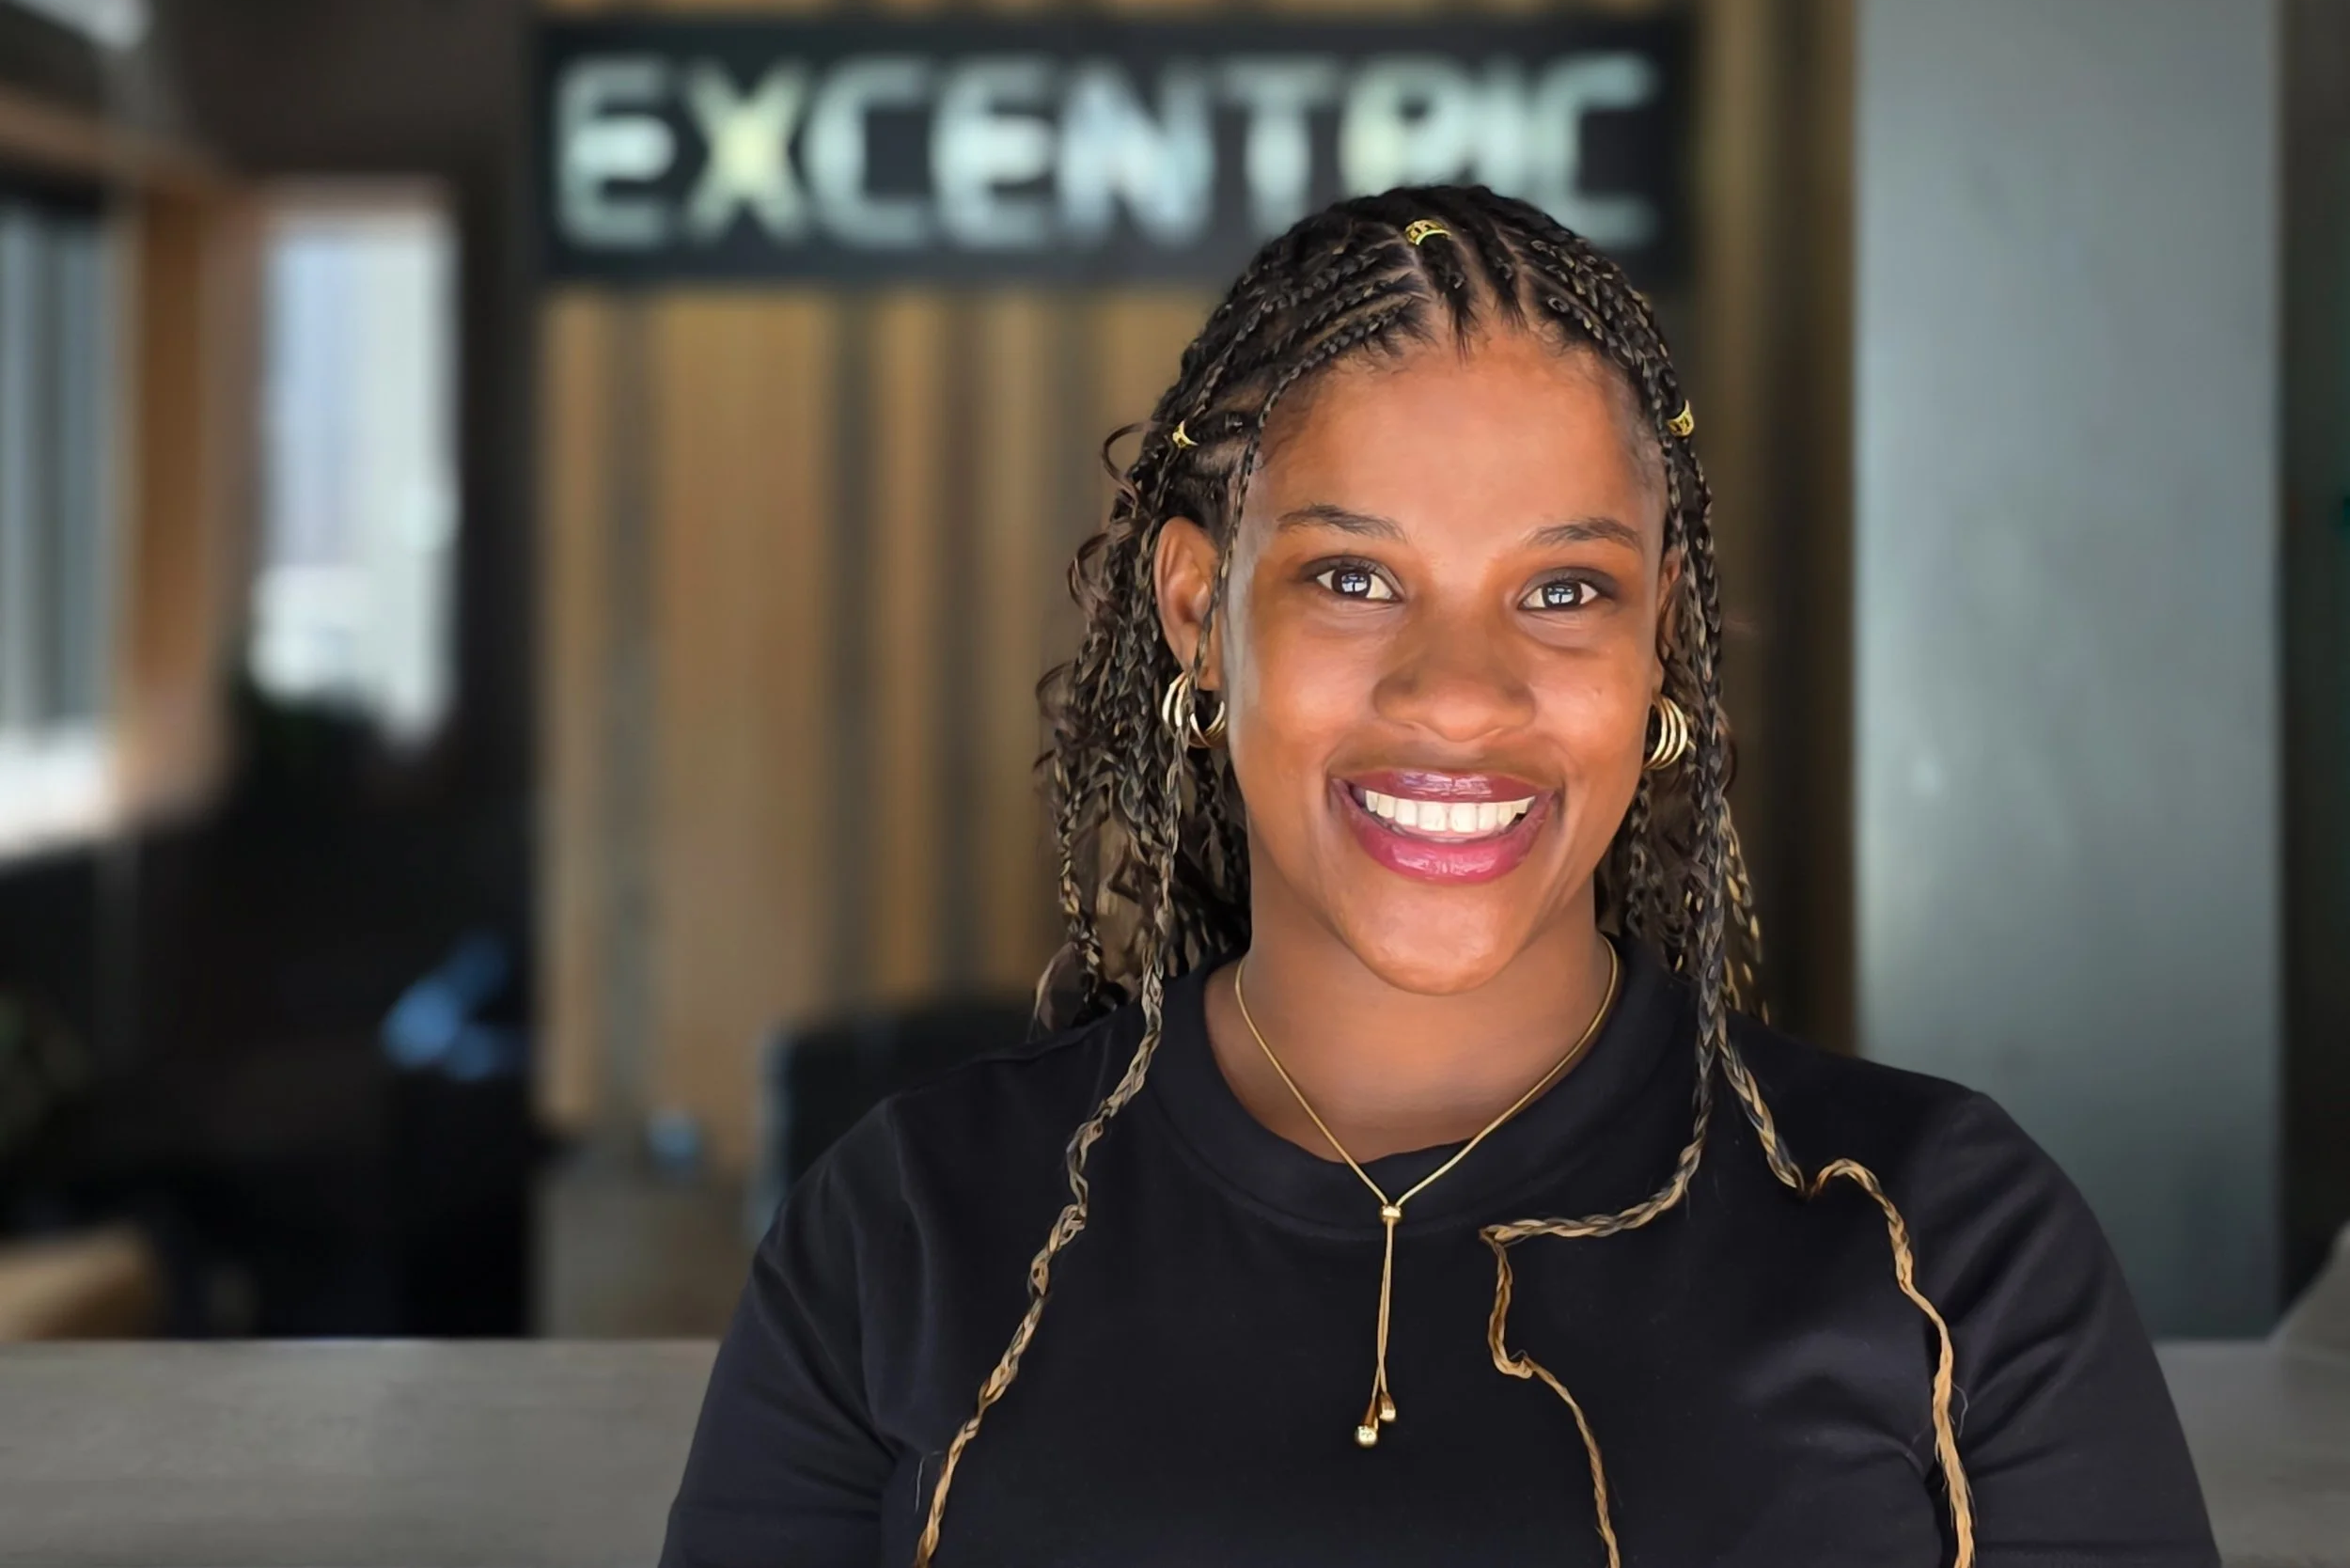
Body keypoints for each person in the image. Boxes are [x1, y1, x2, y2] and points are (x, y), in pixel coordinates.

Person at [659, 187, 2217, 1567]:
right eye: (1353, 577)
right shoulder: (914, 1232)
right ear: (1202, 609)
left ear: (1657, 634)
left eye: (1562, 588)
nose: (1459, 691)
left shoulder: (1946, 1240)